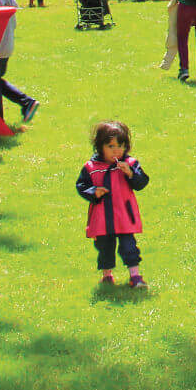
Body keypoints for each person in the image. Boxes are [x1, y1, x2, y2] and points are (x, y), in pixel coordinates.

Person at [76, 120, 149, 288]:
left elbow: (142, 182)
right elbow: (81, 185)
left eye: (120, 146)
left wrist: (130, 174)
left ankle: (135, 276)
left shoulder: (130, 164)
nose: (116, 150)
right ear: (100, 146)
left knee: (129, 246)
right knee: (104, 247)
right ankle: (107, 275)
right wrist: (94, 191)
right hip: (102, 217)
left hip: (124, 215)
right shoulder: (91, 167)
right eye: (111, 146)